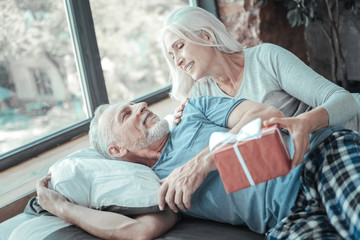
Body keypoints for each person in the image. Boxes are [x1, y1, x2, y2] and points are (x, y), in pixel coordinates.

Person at [37, 96, 360, 239]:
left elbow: (266, 112)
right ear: (116, 149)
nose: (141, 106)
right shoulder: (153, 185)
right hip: (287, 219)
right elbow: (138, 232)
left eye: (135, 104)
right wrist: (61, 207)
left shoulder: (193, 110)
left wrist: (203, 162)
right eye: (127, 114)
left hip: (318, 159)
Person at [160, 6, 360, 169]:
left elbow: (344, 100)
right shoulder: (201, 95)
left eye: (179, 46)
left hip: (347, 134)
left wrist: (303, 123)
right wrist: (178, 123)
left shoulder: (266, 58)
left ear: (206, 36)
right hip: (308, 165)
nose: (177, 60)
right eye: (171, 55)